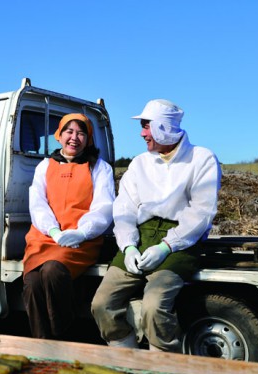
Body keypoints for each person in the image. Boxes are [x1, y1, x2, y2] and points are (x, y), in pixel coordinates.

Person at [91, 99, 221, 351]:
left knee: (153, 306)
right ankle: (127, 360)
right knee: (102, 303)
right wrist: (128, 246)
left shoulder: (201, 159)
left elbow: (200, 213)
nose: (142, 133)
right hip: (140, 237)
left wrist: (166, 246)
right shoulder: (140, 163)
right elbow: (125, 208)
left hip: (181, 241)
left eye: (146, 126)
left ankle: (162, 369)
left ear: (164, 126)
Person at [22, 113, 115, 339]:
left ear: (88, 138)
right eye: (69, 132)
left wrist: (82, 232)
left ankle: (61, 337)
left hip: (81, 241)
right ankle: (41, 343)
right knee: (33, 282)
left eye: (81, 133)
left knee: (53, 271)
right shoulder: (45, 166)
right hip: (44, 237)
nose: (75, 137)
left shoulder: (100, 168)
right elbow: (37, 203)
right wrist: (52, 230)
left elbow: (104, 206)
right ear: (59, 135)